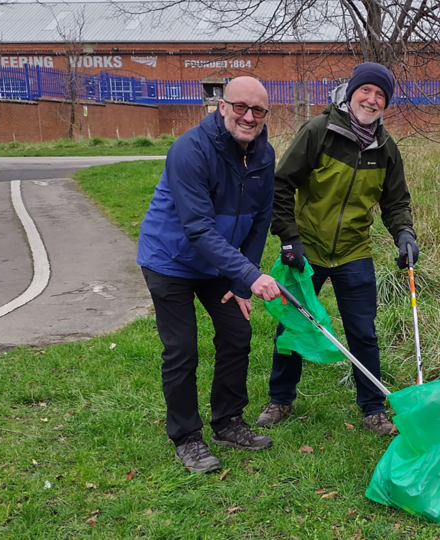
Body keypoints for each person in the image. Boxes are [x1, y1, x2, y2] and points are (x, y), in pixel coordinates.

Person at [256, 62, 419, 436]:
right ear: (351, 92)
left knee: (363, 332)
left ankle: (373, 408)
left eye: (380, 95)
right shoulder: (319, 131)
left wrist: (404, 233)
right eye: (366, 91)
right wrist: (288, 236)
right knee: (293, 323)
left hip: (353, 251)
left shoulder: (386, 149)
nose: (372, 99)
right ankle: (280, 398)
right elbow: (281, 185)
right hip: (306, 248)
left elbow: (396, 203)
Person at [137, 77, 282, 474]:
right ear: (222, 106)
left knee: (237, 333)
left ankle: (228, 422)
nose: (249, 117)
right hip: (170, 259)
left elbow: (260, 219)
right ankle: (187, 437)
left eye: (258, 111)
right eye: (240, 107)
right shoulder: (190, 151)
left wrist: (240, 281)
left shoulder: (265, 155)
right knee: (182, 348)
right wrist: (251, 276)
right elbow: (198, 229)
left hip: (219, 263)